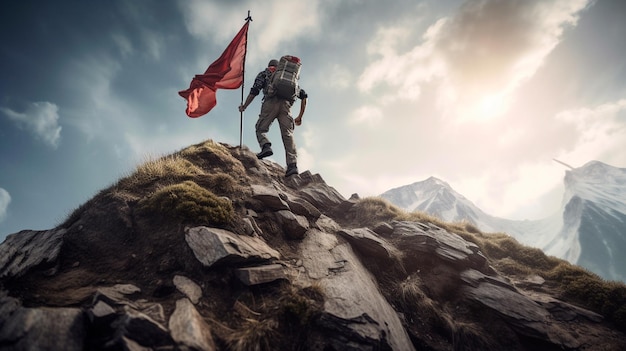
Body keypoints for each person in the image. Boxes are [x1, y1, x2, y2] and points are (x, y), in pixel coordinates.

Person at [239, 58, 308, 177]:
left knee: (260, 129)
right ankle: (292, 166)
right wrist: (300, 116)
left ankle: (266, 146)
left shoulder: (265, 73)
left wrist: (244, 106)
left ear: (269, 65)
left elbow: (255, 90)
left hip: (270, 102)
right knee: (288, 135)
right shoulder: (290, 78)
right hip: (286, 106)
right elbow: (304, 95)